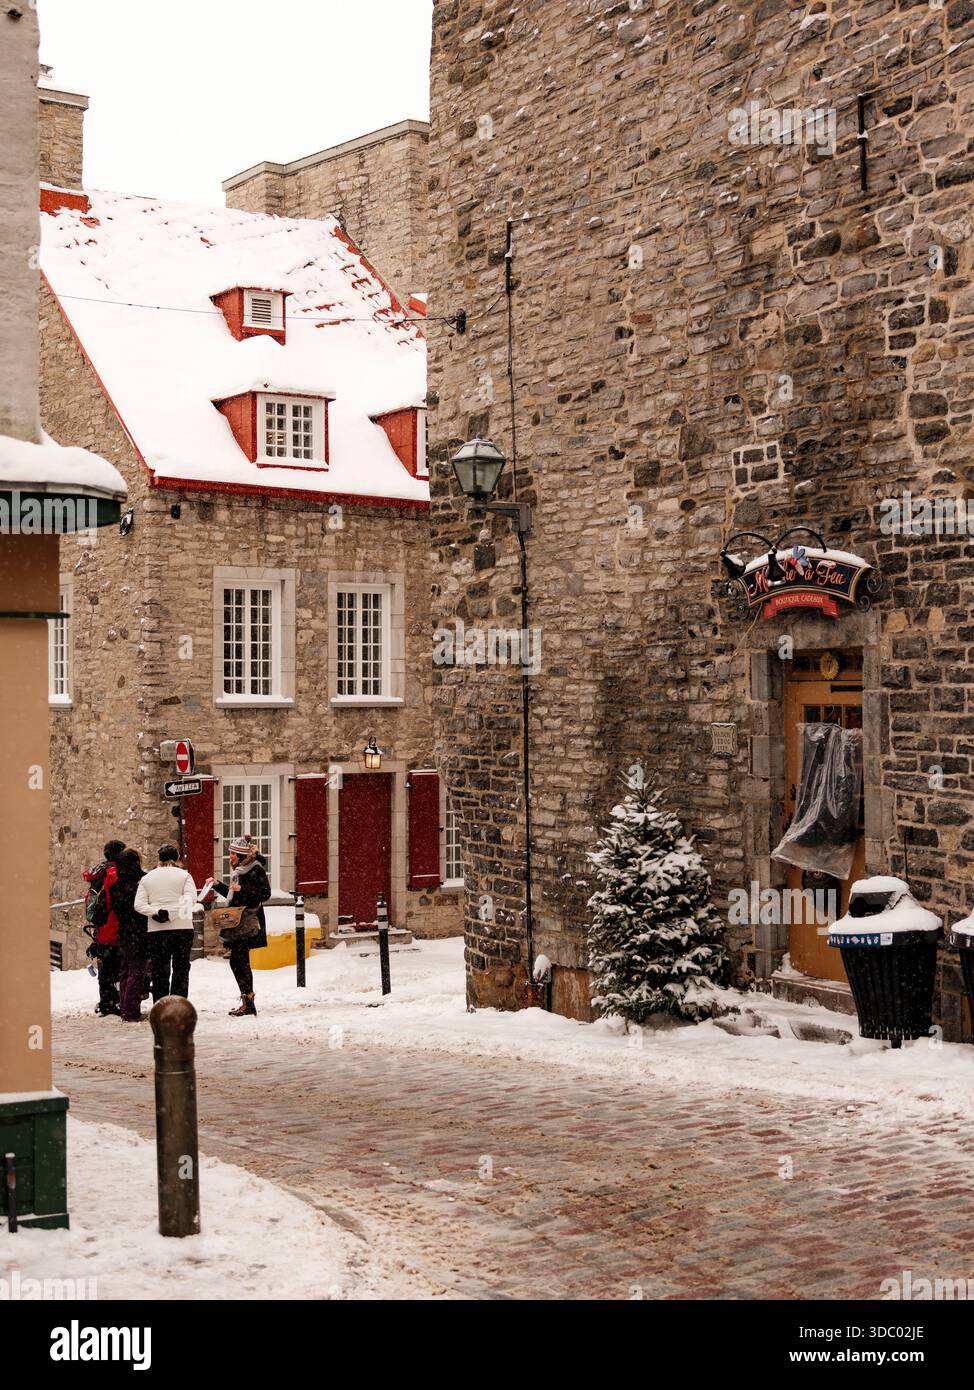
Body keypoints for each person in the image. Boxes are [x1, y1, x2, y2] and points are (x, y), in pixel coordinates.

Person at [212, 835, 271, 1017]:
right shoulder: (241, 870)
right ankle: (247, 1001)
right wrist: (217, 885)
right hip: (240, 923)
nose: (230, 857)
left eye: (232, 854)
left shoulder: (254, 869)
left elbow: (265, 894)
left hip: (248, 923)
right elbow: (235, 896)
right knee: (239, 962)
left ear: (240, 854)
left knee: (239, 962)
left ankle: (248, 1002)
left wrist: (243, 890)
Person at [134, 844, 197, 1000]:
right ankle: (178, 1004)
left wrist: (156, 912)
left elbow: (138, 905)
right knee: (180, 969)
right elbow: (191, 899)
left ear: (159, 859)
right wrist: (172, 914)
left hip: (156, 930)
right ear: (176, 858)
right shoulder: (184, 876)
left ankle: (161, 1005)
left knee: (159, 970)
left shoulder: (147, 878)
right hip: (182, 928)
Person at [83, 840, 125, 1017]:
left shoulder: (97, 873)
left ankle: (107, 1002)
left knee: (106, 968)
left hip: (101, 925)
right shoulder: (118, 872)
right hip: (118, 923)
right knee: (123, 966)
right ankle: (122, 999)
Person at [110, 848, 148, 1023]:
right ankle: (131, 1009)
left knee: (125, 970)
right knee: (136, 971)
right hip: (139, 931)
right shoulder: (141, 883)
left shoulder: (115, 886)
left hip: (124, 930)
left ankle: (125, 1005)